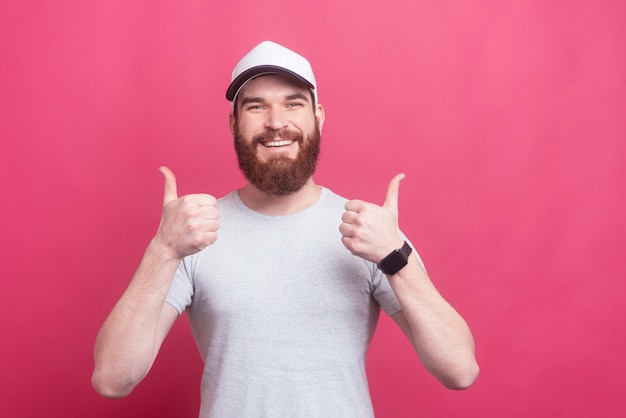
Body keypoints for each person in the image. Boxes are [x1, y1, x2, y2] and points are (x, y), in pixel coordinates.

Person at [92, 40, 479, 417]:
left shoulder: (370, 232)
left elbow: (459, 370)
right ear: (234, 123)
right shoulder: (194, 233)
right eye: (256, 106)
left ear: (318, 117)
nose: (276, 123)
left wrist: (396, 256)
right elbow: (113, 379)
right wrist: (163, 250)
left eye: (293, 103)